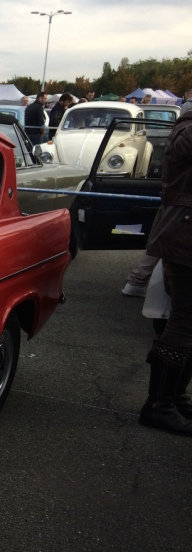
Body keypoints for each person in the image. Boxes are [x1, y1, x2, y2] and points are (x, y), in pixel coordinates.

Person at [137, 109, 192, 435]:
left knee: (186, 323)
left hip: (183, 234)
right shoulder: (187, 129)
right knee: (183, 323)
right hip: (185, 237)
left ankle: (175, 396)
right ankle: (159, 405)